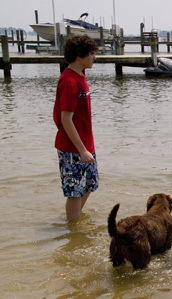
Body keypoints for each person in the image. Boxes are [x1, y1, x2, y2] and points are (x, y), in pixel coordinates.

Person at [53, 34, 99, 221]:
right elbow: (66, 119)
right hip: (72, 148)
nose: (94, 57)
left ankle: (75, 220)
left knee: (89, 185)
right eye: (91, 54)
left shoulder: (80, 76)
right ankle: (72, 230)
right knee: (74, 191)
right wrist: (81, 150)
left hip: (85, 145)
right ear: (79, 55)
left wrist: (87, 148)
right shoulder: (69, 82)